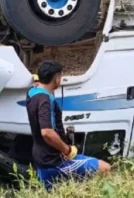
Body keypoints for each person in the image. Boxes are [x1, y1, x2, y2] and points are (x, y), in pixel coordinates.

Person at [26, 60, 111, 190]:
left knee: (52, 195)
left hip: (40, 158)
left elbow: (36, 83)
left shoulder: (32, 92)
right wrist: (67, 150)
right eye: (60, 77)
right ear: (56, 79)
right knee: (105, 168)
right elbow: (47, 132)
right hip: (54, 160)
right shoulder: (45, 101)